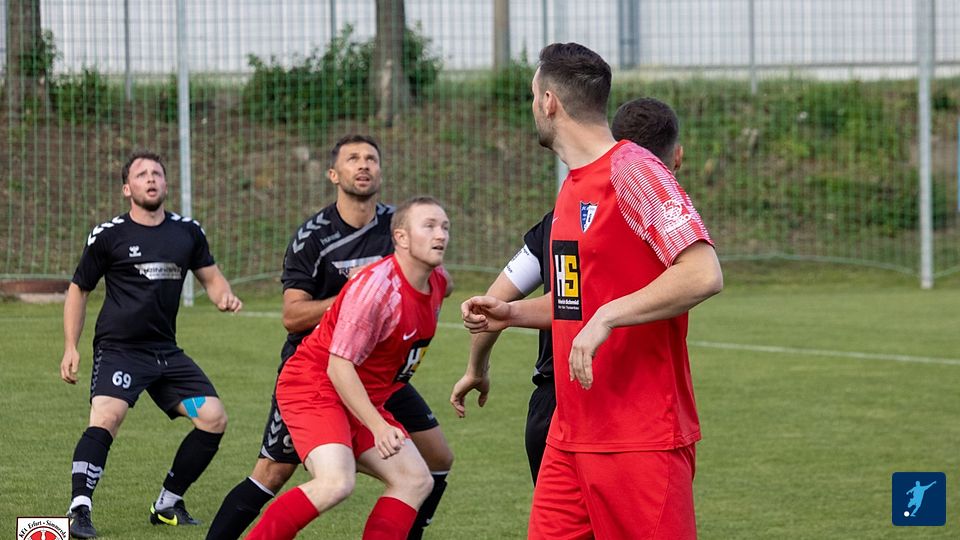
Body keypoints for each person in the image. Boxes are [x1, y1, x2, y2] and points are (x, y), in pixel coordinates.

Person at [461, 43, 723, 539]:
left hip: (639, 437)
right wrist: (510, 314)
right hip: (570, 434)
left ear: (549, 102)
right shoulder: (572, 188)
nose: (532, 106)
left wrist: (607, 317)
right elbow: (574, 303)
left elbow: (702, 272)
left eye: (532, 96)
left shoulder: (634, 169)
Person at [207, 135, 453, 540]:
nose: (440, 234)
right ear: (402, 237)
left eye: (444, 226)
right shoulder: (361, 277)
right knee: (323, 479)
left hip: (367, 385)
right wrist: (378, 425)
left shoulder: (434, 277)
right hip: (318, 380)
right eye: (429, 226)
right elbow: (322, 348)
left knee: (417, 477)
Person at [450, 96, 685, 484]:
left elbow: (498, 299)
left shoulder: (564, 216)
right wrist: (509, 317)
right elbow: (556, 302)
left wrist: (477, 366)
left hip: (559, 402)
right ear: (677, 157)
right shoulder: (619, 215)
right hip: (621, 409)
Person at [60, 150, 243, 539]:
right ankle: (79, 510)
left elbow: (212, 278)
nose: (151, 179)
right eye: (141, 174)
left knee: (213, 418)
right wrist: (71, 346)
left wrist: (223, 296)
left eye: (157, 173)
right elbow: (79, 289)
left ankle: (167, 504)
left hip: (165, 354)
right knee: (107, 417)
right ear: (127, 188)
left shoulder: (187, 232)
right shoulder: (109, 235)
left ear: (165, 183)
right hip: (120, 349)